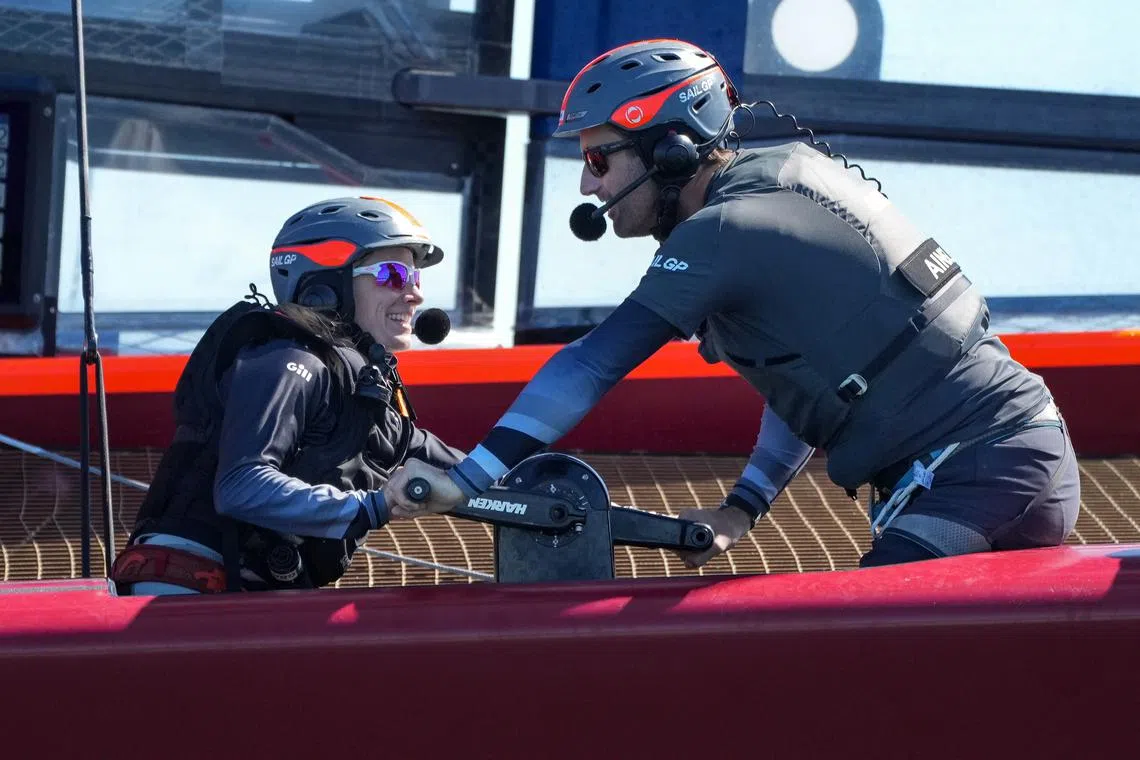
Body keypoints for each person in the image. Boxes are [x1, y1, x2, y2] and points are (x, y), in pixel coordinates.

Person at [383, 38, 1081, 570]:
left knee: (856, 665)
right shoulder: (787, 180)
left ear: (671, 151)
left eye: (599, 160)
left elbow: (590, 365)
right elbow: (807, 381)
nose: (588, 188)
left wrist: (466, 481)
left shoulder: (724, 232)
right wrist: (743, 506)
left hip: (978, 470)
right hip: (1002, 461)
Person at [110, 196, 462, 595]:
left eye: (416, 279)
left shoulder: (365, 395)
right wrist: (374, 506)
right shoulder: (286, 360)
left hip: (257, 601)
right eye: (394, 274)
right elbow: (242, 486)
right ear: (326, 285)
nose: (414, 294)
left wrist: (532, 479)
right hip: (185, 595)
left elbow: (467, 474)